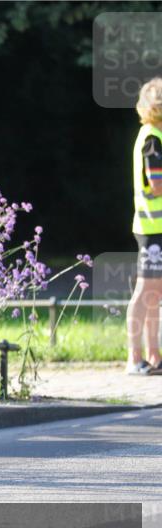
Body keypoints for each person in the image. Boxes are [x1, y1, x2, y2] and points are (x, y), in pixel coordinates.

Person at [127, 78, 162, 375]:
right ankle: (134, 358)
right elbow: (158, 185)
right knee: (145, 291)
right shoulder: (153, 139)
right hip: (152, 229)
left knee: (155, 293)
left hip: (154, 227)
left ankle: (153, 356)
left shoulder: (151, 135)